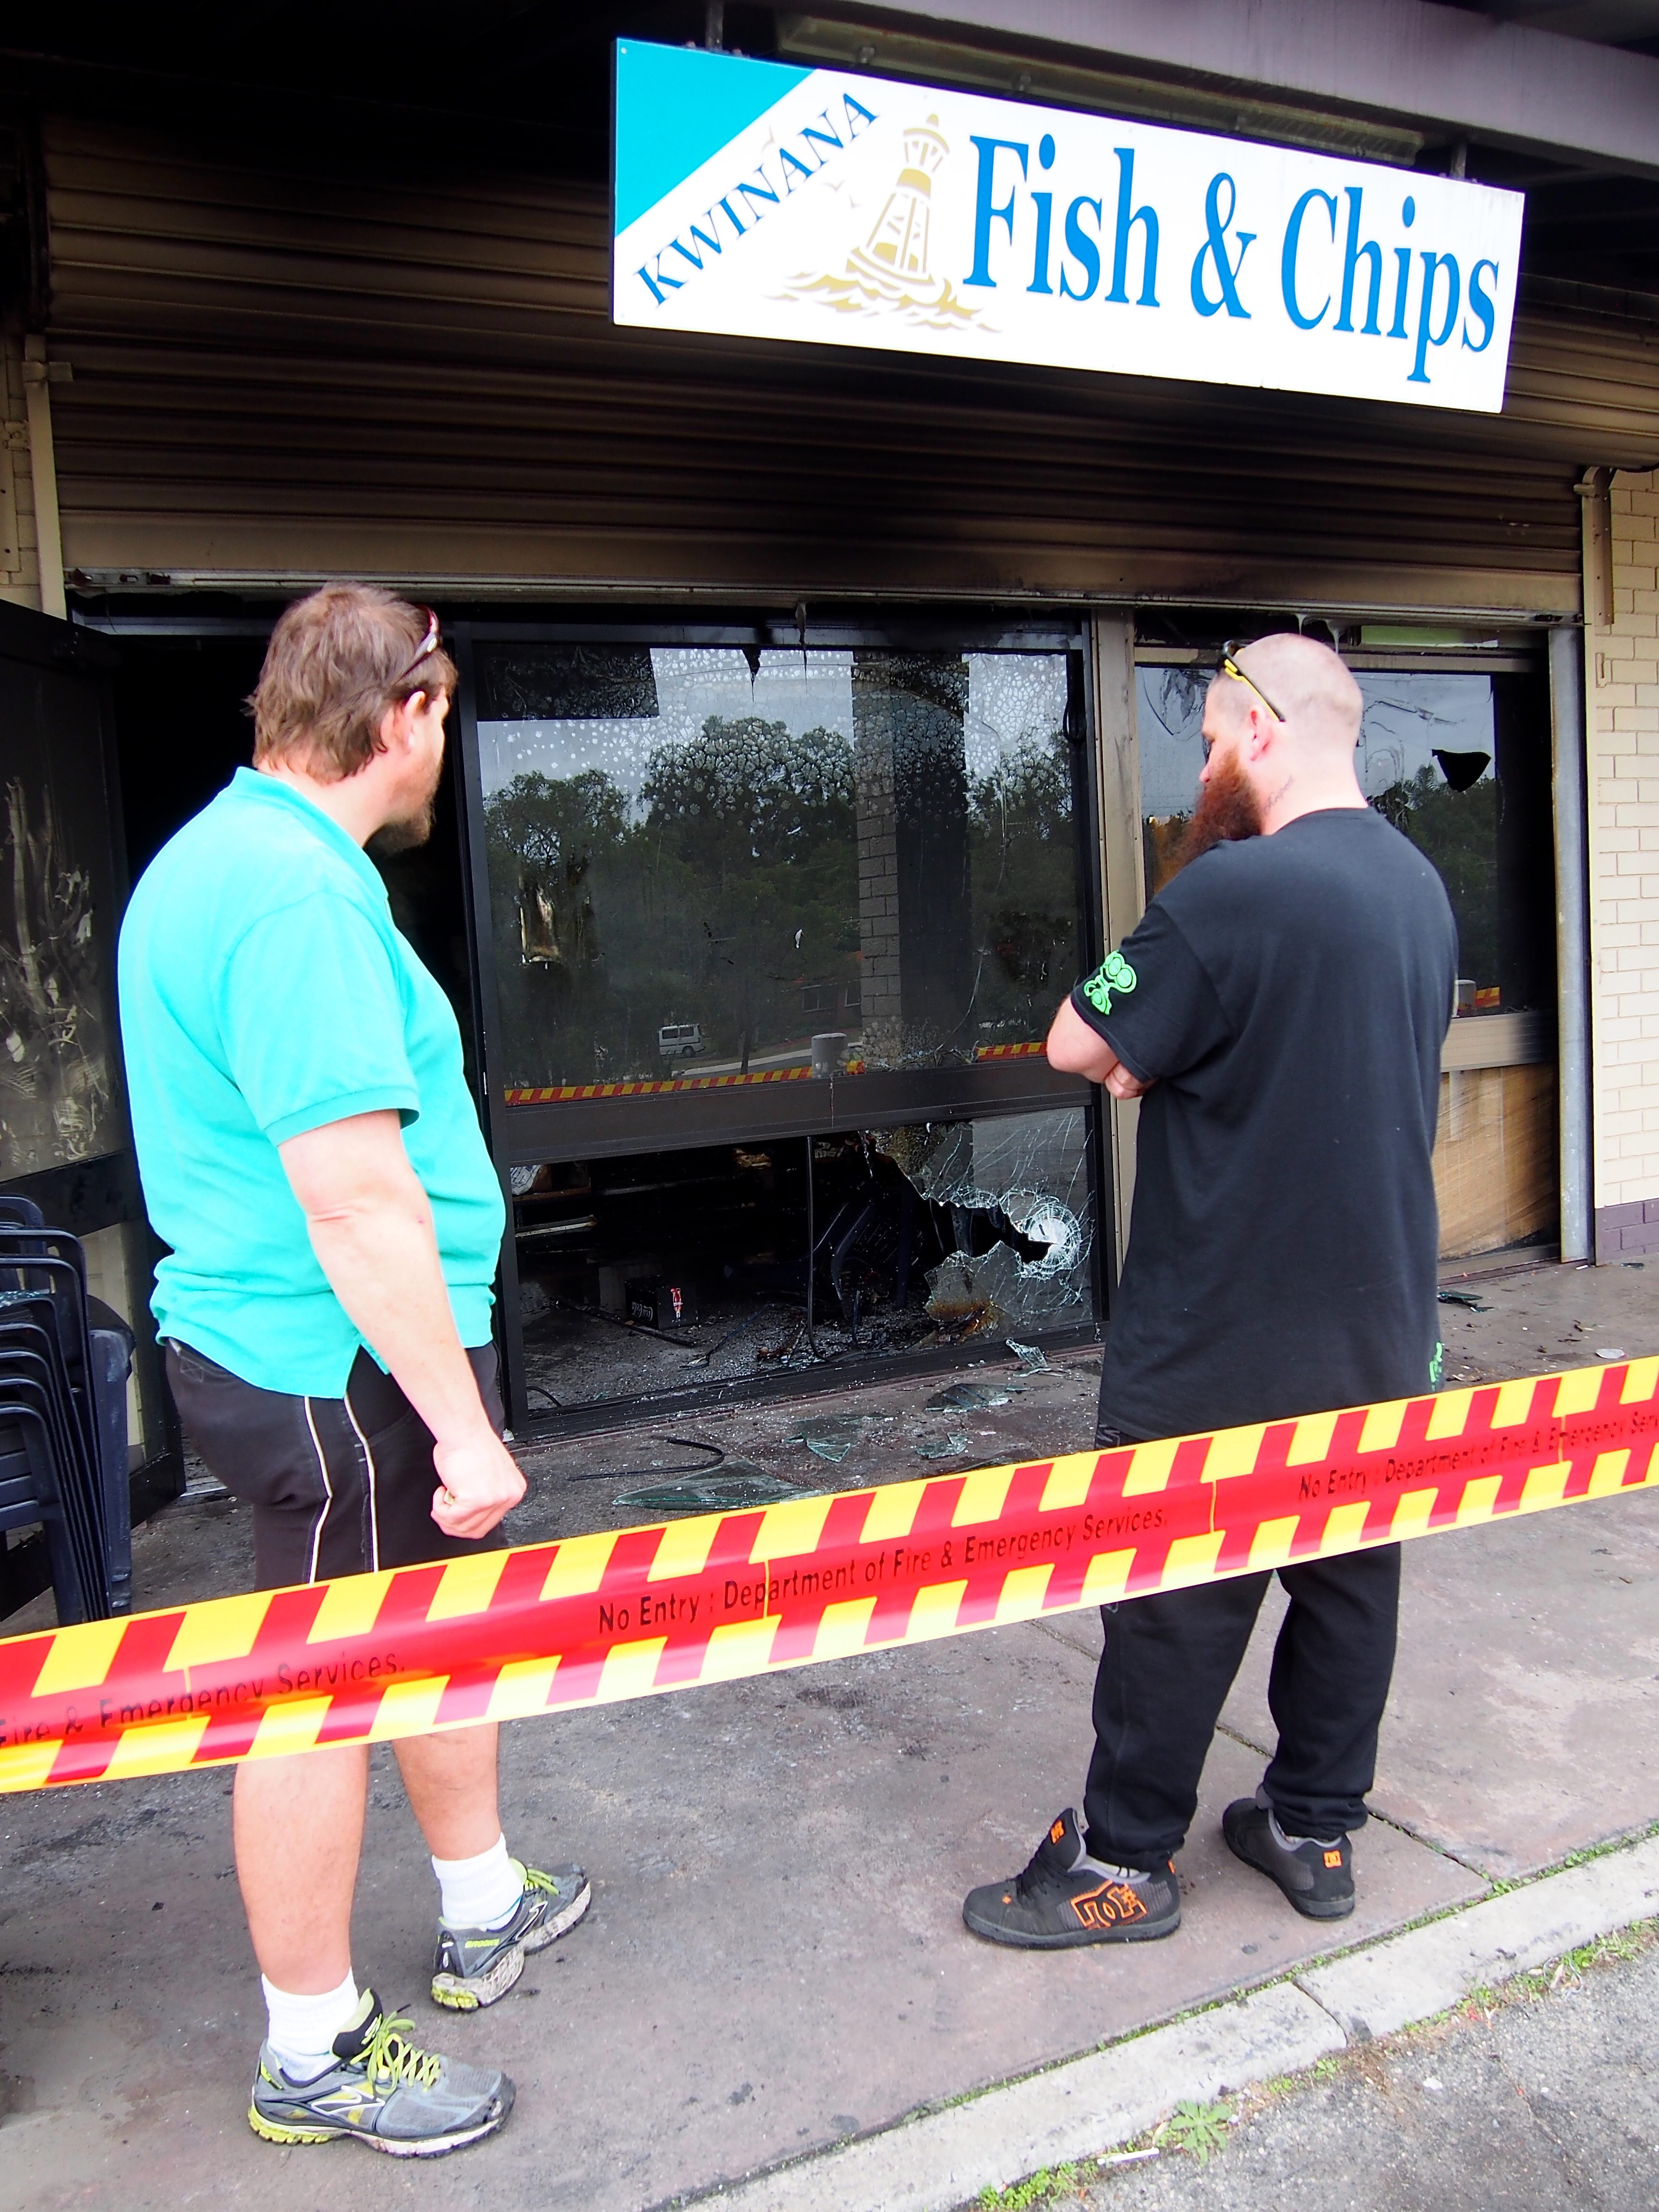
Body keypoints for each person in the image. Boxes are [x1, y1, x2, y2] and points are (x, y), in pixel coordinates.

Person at [118, 584, 590, 2153]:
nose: (444, 747)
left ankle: (482, 1903)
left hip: (332, 1350)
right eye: (444, 718)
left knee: (434, 1628)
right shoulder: (294, 899)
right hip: (333, 1364)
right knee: (312, 1698)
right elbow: (353, 1191)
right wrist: (462, 1426)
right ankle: (310, 2048)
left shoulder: (242, 859)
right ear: (407, 718)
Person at [963, 633, 1455, 1950]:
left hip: (1223, 1332)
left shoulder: (1231, 892)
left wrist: (1148, 1058)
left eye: (1206, 741)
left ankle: (1121, 1862)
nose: (1200, 767)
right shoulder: (1419, 888)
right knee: (1349, 1582)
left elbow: (1079, 1039)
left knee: (1176, 1595)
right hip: (1379, 1324)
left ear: (1260, 729)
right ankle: (1316, 1826)